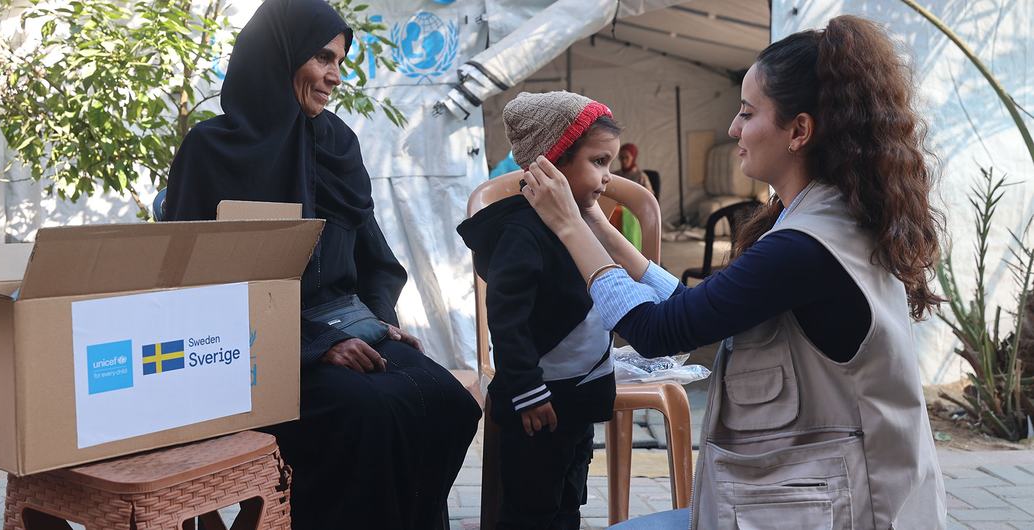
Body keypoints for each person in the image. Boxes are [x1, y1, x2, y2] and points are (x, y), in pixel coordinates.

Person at [519, 15, 946, 529]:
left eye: (746, 113)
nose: (732, 129)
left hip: (845, 509)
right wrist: (597, 224)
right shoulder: (824, 217)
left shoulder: (804, 247)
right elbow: (693, 306)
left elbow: (658, 330)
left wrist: (569, 227)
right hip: (822, 498)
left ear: (800, 131)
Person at [163, 0, 481, 528]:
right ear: (279, 55)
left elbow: (376, 260)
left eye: (339, 61)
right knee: (368, 416)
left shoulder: (336, 142)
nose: (334, 77)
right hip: (247, 349)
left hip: (345, 330)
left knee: (446, 401)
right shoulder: (210, 150)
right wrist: (314, 346)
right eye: (322, 58)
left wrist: (381, 320)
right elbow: (193, 285)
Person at [457, 92, 619, 530]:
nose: (608, 177)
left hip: (576, 398)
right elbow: (506, 315)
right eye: (599, 162)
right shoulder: (523, 233)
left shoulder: (581, 222)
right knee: (532, 507)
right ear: (552, 163)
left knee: (569, 498)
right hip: (541, 403)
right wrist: (527, 390)